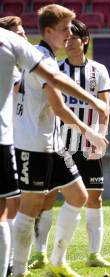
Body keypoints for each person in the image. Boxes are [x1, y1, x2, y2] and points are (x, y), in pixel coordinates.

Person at [11, 4, 109, 277]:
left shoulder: (45, 57)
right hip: (33, 145)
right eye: (65, 29)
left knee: (79, 195)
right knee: (28, 209)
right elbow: (59, 107)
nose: (69, 34)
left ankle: (57, 261)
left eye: (71, 29)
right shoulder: (41, 58)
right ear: (48, 31)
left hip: (52, 144)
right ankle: (17, 269)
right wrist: (88, 130)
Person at [29, 19, 110, 269]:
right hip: (60, 145)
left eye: (74, 38)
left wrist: (100, 137)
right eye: (66, 38)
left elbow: (105, 107)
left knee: (95, 197)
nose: (69, 42)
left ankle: (94, 254)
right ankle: (40, 253)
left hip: (88, 146)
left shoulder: (98, 70)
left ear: (84, 41)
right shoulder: (55, 69)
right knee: (48, 197)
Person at [0, 15, 28, 276]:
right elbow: (24, 90)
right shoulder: (14, 65)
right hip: (7, 140)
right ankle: (7, 265)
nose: (24, 38)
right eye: (18, 34)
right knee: (14, 203)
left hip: (12, 138)